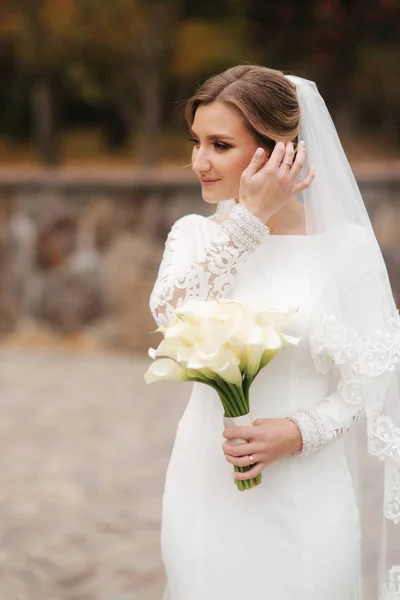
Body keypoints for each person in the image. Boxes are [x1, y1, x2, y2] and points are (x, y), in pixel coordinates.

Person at [149, 66, 400, 600]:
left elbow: (374, 373)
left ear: (279, 151)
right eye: (196, 142)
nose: (200, 161)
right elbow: (170, 323)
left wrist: (303, 430)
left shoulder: (347, 247)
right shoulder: (193, 237)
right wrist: (249, 219)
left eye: (219, 144)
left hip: (307, 490)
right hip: (205, 480)